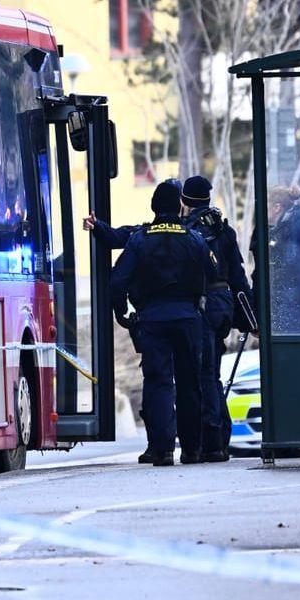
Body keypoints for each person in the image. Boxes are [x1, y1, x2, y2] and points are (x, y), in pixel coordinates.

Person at [110, 180, 215, 466]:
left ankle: (162, 450)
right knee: (190, 383)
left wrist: (122, 312)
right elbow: (212, 272)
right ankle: (192, 450)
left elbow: (118, 280)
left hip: (152, 319)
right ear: (179, 207)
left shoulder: (139, 239)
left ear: (154, 207)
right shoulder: (193, 238)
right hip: (188, 319)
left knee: (158, 382)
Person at [180, 175, 252, 461]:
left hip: (200, 304)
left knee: (203, 375)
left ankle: (210, 440)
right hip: (223, 305)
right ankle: (220, 438)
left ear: (184, 201)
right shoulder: (223, 229)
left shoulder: (186, 231)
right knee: (213, 373)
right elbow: (238, 278)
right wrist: (251, 319)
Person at [262, 185, 300, 333]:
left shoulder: (296, 231)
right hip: (292, 306)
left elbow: (296, 270)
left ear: (277, 208)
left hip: (297, 309)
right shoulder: (285, 229)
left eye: (266, 206)